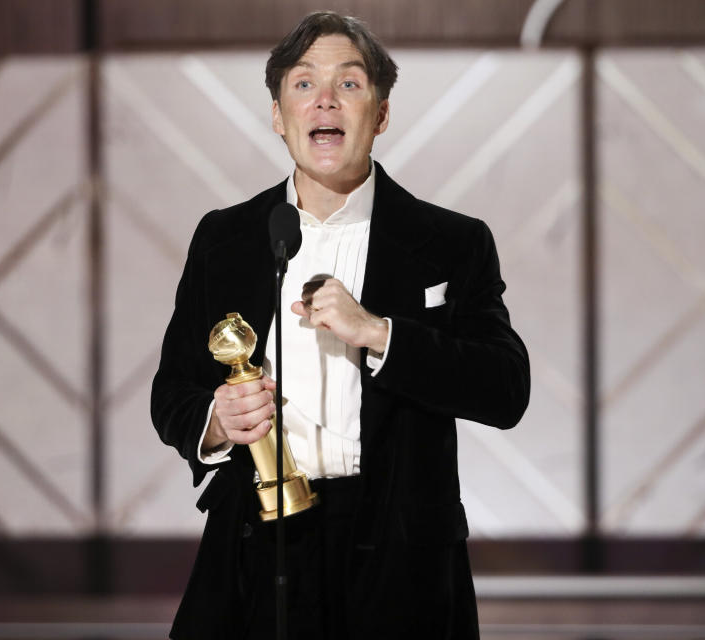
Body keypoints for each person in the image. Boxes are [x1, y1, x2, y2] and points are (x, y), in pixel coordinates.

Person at [151, 11, 530, 640]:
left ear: (380, 115)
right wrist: (217, 421)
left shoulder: (452, 242)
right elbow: (173, 394)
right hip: (257, 543)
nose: (324, 99)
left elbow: (505, 388)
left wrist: (380, 333)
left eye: (349, 84)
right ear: (278, 116)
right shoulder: (225, 239)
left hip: (400, 553)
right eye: (303, 85)